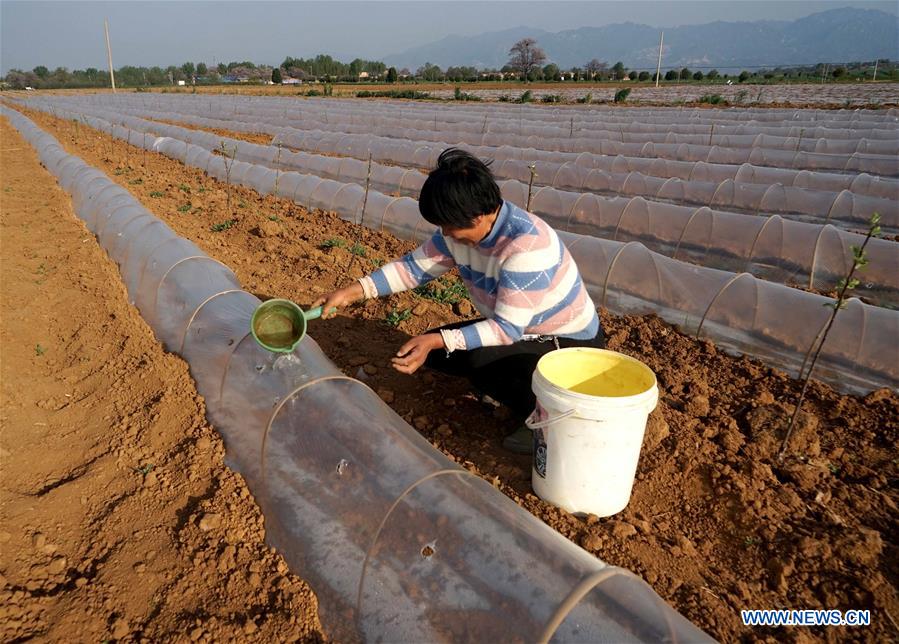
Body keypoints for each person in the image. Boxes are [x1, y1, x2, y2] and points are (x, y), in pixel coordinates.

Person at [313, 148, 605, 454]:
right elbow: (414, 269)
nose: (445, 234)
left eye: (451, 227)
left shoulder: (526, 246)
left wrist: (437, 339)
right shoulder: (459, 232)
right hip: (522, 326)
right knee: (445, 357)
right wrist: (350, 292)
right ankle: (508, 383)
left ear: (478, 215)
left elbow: (506, 330)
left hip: (567, 343)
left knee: (474, 360)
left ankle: (547, 420)